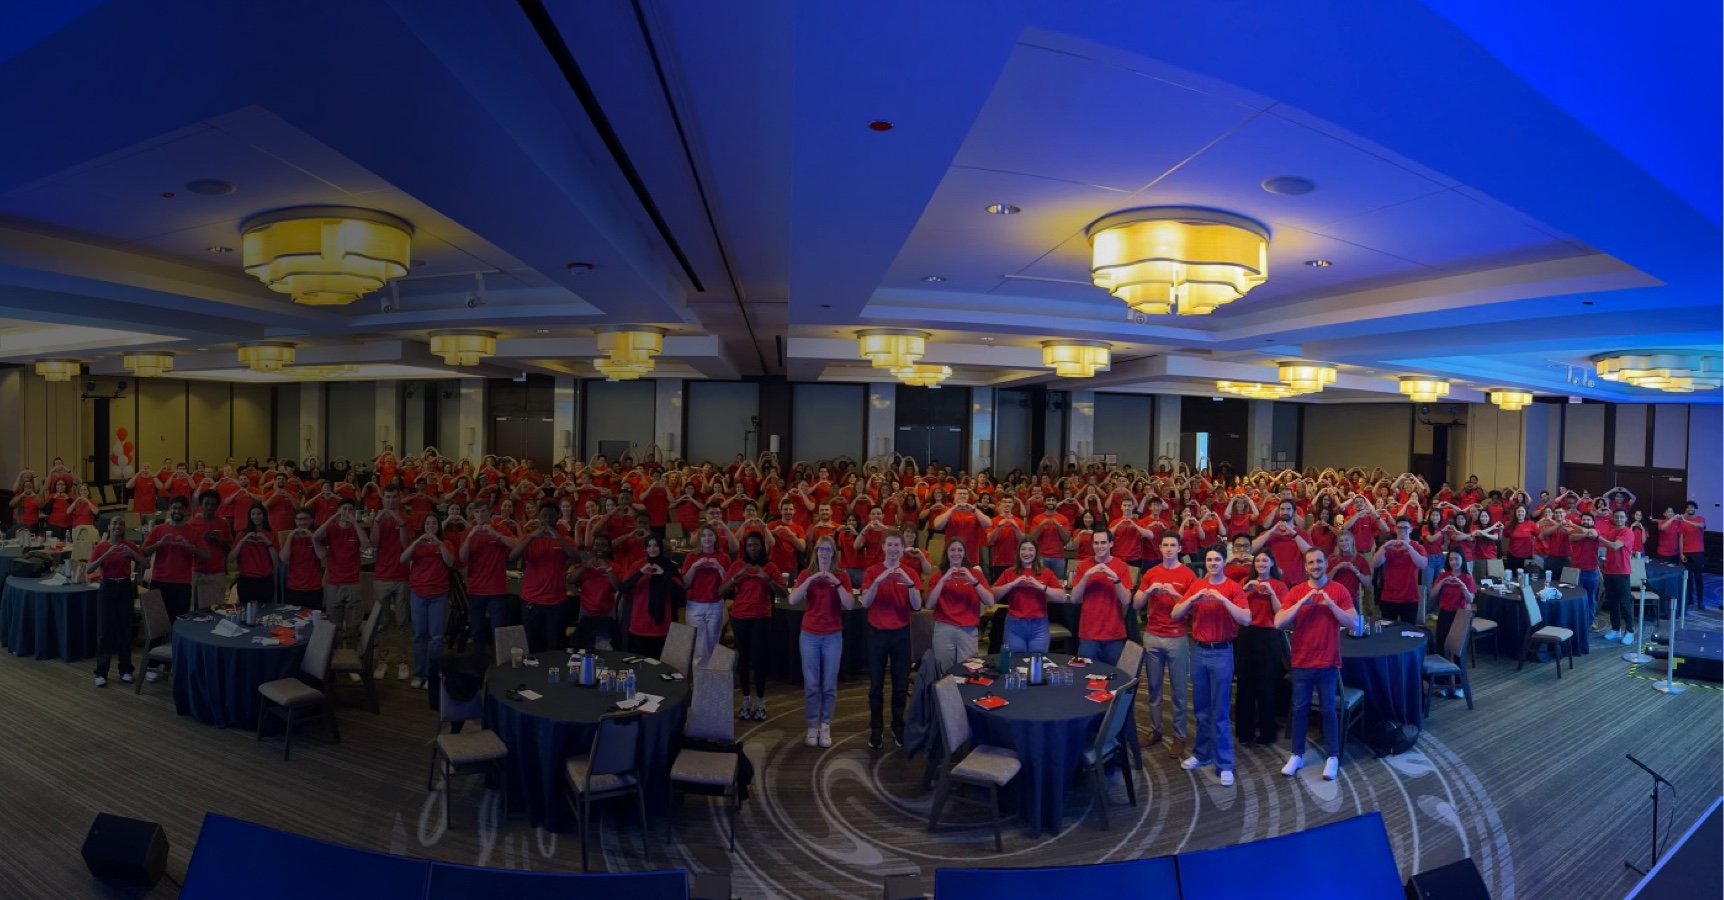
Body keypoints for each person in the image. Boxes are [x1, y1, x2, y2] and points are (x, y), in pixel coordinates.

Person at [1275, 548, 1358, 781]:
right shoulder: (1297, 591)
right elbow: (1278, 622)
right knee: (1300, 709)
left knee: (1328, 710)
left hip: (1328, 661)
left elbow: (1353, 623)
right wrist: (1301, 603)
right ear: (1305, 566)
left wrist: (1331, 605)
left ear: (1325, 564)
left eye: (1319, 561)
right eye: (1311, 562)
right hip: (1301, 661)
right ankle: (1297, 754)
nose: (1315, 565)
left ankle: (1332, 756)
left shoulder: (1338, 590)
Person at [1172, 548, 1250, 787]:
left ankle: (1225, 763)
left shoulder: (1233, 588)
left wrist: (1223, 600)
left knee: (1221, 711)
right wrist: (1192, 599)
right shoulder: (1196, 585)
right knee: (1202, 708)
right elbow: (1176, 613)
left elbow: (1246, 619)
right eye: (1209, 559)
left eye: (1217, 559)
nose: (1213, 563)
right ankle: (1202, 753)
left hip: (1222, 652)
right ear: (1204, 562)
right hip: (1199, 651)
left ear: (1224, 562)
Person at [788, 536, 853, 747]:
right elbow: (792, 599)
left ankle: (825, 725)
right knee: (812, 684)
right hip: (809, 635)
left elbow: (850, 604)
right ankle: (812, 725)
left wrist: (837, 583)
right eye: (820, 549)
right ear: (815, 552)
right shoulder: (807, 574)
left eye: (828, 550)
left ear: (834, 553)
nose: (824, 553)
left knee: (828, 684)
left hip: (833, 635)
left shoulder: (841, 575)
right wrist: (810, 580)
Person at [860, 532, 922, 749]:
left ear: (903, 548)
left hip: (901, 633)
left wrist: (910, 584)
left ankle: (898, 726)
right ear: (884, 547)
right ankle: (876, 729)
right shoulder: (871, 571)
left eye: (897, 545)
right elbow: (865, 602)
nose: (894, 549)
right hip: (877, 633)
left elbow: (916, 605)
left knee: (900, 684)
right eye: (890, 545)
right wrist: (877, 581)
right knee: (876, 685)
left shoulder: (910, 572)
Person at [1135, 533, 1195, 756]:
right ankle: (1155, 729)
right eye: (1165, 545)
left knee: (1179, 690)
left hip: (1177, 637)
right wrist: (1148, 591)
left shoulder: (1188, 574)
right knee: (1153, 688)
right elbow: (1135, 604)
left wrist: (1175, 593)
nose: (1169, 549)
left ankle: (1179, 735)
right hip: (1152, 635)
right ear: (1160, 548)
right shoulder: (1151, 573)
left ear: (1179, 548)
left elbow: (1193, 609)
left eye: (1173, 545)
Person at [720, 532, 785, 721]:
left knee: (759, 660)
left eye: (756, 545)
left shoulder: (770, 567)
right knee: (743, 659)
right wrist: (735, 578)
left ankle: (761, 701)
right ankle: (746, 700)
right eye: (750, 545)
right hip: (739, 617)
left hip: (761, 617)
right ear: (745, 547)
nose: (753, 548)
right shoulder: (737, 565)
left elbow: (783, 594)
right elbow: (721, 591)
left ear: (762, 546)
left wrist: (767, 579)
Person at [510, 500, 583, 653]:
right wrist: (531, 537)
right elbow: (513, 557)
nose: (547, 520)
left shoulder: (565, 539)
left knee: (554, 645)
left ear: (558, 518)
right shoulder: (529, 538)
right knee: (532, 645)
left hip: (556, 601)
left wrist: (558, 537)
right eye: (544, 516)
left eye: (551, 516)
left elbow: (577, 559)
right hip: (531, 600)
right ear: (539, 518)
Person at [85, 517, 144, 687]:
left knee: (124, 629)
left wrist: (132, 553)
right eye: (115, 523)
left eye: (122, 524)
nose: (118, 526)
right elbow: (89, 569)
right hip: (108, 587)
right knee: (104, 630)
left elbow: (146, 564)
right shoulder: (101, 547)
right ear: (109, 526)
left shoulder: (129, 545)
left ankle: (125, 670)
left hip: (125, 586)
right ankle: (101, 672)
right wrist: (106, 554)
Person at [1236, 551, 1286, 746]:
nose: (1261, 563)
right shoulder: (1244, 583)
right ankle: (1245, 732)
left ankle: (1267, 732)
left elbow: (1281, 613)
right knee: (1245, 683)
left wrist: (1271, 592)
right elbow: (1237, 608)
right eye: (1258, 560)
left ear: (1272, 563)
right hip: (1247, 634)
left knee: (1268, 685)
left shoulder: (1279, 585)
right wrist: (1246, 590)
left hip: (1269, 636)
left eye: (1265, 560)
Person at [923, 538, 993, 673]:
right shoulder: (938, 576)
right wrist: (943, 580)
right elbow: (929, 603)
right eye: (952, 550)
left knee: (967, 671)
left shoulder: (975, 574)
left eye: (960, 550)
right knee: (944, 671)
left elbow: (990, 601)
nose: (956, 553)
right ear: (947, 553)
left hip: (968, 630)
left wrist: (972, 580)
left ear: (964, 553)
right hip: (944, 627)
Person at [460, 500, 518, 661]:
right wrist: (470, 537)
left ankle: (501, 666)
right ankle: (480, 665)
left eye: (483, 511)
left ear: (490, 512)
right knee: (477, 632)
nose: (480, 515)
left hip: (497, 590)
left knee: (498, 631)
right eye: (476, 512)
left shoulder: (500, 529)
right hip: (476, 589)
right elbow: (462, 558)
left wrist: (496, 534)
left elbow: (516, 545)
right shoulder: (468, 533)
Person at [402, 513, 455, 689]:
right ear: (424, 526)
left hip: (438, 595)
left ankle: (433, 674)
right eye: (428, 524)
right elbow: (403, 559)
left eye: (434, 524)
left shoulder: (446, 543)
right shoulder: (418, 545)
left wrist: (439, 543)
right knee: (419, 636)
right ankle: (419, 673)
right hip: (418, 594)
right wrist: (417, 542)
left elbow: (450, 562)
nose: (431, 526)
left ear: (438, 526)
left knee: (437, 637)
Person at [1068, 528, 1132, 666]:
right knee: (1087, 677)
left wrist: (1116, 579)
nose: (1099, 546)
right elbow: (1074, 599)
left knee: (1115, 678)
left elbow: (1126, 600)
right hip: (1088, 633)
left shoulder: (1121, 566)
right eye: (1096, 543)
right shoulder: (1083, 566)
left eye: (1103, 542)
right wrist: (1086, 577)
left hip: (1114, 633)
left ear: (1111, 544)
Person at [314, 497, 370, 648]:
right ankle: (335, 658)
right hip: (334, 582)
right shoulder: (332, 528)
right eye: (343, 509)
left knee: (353, 625)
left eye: (350, 509)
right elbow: (316, 536)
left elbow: (366, 544)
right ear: (339, 510)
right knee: (334, 625)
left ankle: (351, 656)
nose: (346, 512)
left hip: (353, 582)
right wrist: (332, 517)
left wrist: (355, 523)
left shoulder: (356, 528)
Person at [992, 538, 1064, 653]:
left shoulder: (1046, 572)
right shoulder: (1009, 572)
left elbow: (1062, 597)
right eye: (1023, 549)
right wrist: (1011, 584)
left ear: (1036, 553)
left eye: (1031, 549)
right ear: (1018, 552)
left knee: (1037, 662)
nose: (1027, 553)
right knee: (1015, 662)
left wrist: (1041, 586)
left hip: (1039, 626)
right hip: (1015, 625)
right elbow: (992, 597)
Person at [370, 486, 412, 681]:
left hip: (401, 576)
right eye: (388, 497)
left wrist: (399, 522)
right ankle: (382, 661)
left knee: (402, 622)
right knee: (382, 622)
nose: (391, 501)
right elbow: (374, 543)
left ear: (399, 499)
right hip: (381, 576)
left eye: (394, 497)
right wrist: (378, 521)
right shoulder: (377, 519)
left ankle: (403, 661)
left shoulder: (405, 519)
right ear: (383, 499)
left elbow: (406, 546)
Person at [620, 534, 682, 659]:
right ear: (645, 549)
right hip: (639, 623)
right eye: (649, 546)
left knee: (660, 663)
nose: (652, 549)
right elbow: (623, 588)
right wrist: (640, 573)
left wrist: (663, 575)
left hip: (662, 625)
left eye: (655, 546)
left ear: (661, 547)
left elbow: (679, 595)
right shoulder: (637, 566)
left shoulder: (670, 566)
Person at [143, 496, 204, 618]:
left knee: (177, 623)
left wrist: (191, 547)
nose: (177, 511)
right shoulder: (158, 529)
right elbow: (143, 552)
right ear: (170, 509)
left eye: (180, 508)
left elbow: (206, 555)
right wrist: (159, 544)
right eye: (174, 508)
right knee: (157, 623)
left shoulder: (193, 531)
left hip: (182, 584)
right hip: (158, 581)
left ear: (186, 510)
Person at [681, 524, 731, 667]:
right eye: (704, 535)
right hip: (695, 605)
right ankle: (699, 682)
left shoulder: (723, 557)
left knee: (712, 643)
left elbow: (728, 584)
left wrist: (720, 568)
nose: (707, 538)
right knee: (699, 646)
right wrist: (694, 566)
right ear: (699, 539)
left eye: (710, 535)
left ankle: (710, 680)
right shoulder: (691, 557)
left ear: (716, 538)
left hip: (715, 604)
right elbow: (685, 583)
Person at [1430, 550, 1476, 691]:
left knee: (1457, 651)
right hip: (1444, 613)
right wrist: (1442, 582)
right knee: (1441, 649)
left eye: (1457, 559)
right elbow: (1432, 594)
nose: (1454, 562)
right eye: (1451, 559)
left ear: (1462, 560)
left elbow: (1470, 599)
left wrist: (1462, 586)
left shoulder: (1467, 577)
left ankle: (1459, 686)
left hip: (1460, 615)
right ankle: (1443, 683)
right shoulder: (1443, 575)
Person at [1370, 518, 1426, 624]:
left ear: (1411, 529)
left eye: (1405, 528)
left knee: (1408, 631)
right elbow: (1374, 564)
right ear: (1395, 529)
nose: (1402, 530)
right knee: (1388, 631)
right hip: (1389, 597)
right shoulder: (1389, 546)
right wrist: (1383, 548)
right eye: (1399, 527)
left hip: (1410, 597)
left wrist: (1409, 548)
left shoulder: (1417, 547)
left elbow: (1423, 565)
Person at [572, 534, 623, 650]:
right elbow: (571, 580)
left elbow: (618, 587)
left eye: (604, 546)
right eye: (597, 545)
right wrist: (584, 567)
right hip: (586, 611)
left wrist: (607, 567)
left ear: (609, 549)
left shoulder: (615, 567)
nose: (600, 548)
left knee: (606, 646)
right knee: (584, 645)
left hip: (606, 611)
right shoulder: (585, 563)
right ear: (593, 547)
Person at [1595, 509, 1638, 646]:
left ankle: (1630, 631)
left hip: (1622, 572)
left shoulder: (1628, 532)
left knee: (1624, 603)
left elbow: (1615, 546)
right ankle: (1616, 629)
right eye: (1616, 517)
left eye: (1621, 517)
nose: (1619, 519)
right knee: (1613, 603)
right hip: (1609, 571)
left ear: (1625, 519)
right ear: (1613, 518)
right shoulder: (1611, 531)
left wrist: (1598, 537)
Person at [228, 505, 279, 608]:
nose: (256, 516)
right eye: (253, 514)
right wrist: (243, 541)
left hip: (266, 580)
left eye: (259, 513)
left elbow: (277, 562)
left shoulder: (272, 534)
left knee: (265, 612)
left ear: (264, 515)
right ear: (249, 516)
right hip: (247, 580)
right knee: (247, 613)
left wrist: (268, 543)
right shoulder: (242, 534)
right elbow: (230, 559)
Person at [189, 490, 233, 605]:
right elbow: (187, 550)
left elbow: (230, 549)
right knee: (196, 606)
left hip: (217, 572)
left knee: (217, 607)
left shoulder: (223, 524)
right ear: (200, 505)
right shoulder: (191, 524)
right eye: (206, 504)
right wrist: (202, 539)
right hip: (197, 570)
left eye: (213, 505)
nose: (209, 507)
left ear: (218, 506)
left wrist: (221, 540)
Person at [1676, 501, 1707, 609]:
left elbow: (1701, 526)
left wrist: (1685, 520)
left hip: (1698, 551)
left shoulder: (1700, 518)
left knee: (1698, 577)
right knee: (1688, 577)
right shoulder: (1682, 522)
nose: (1690, 509)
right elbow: (1681, 538)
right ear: (1686, 509)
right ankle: (1689, 599)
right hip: (1687, 552)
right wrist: (1681, 553)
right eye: (1688, 507)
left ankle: (1700, 600)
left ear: (1695, 509)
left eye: (1692, 507)